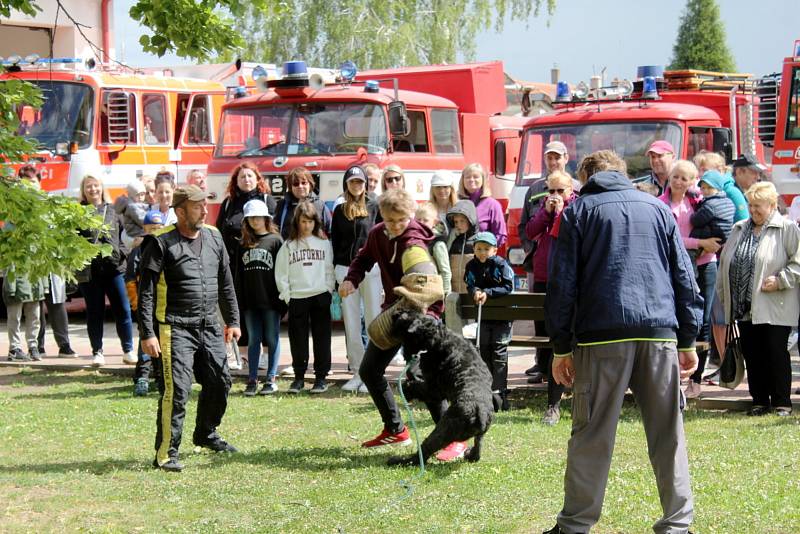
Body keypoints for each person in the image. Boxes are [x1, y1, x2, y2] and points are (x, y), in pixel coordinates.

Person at [544, 150, 702, 534]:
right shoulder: (658, 208)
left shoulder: (579, 211)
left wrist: (561, 346)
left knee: (592, 434)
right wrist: (687, 339)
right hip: (658, 334)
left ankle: (575, 526)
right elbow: (684, 276)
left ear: (585, 178)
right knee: (668, 433)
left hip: (602, 337)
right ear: (621, 172)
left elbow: (562, 284)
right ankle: (678, 524)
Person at [138, 185, 241, 472]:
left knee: (220, 382)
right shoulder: (159, 242)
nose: (205, 210)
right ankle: (166, 453)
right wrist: (147, 333)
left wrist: (232, 320)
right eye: (197, 206)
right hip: (174, 327)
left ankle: (206, 433)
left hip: (210, 324)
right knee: (177, 390)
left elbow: (225, 282)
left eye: (205, 205)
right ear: (180, 211)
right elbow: (145, 292)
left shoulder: (214, 236)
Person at [339, 189, 446, 450]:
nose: (396, 226)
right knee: (369, 370)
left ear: (410, 215)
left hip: (422, 314)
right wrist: (351, 279)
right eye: (390, 220)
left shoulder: (415, 243)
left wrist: (422, 314)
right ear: (382, 217)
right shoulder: (378, 234)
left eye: (401, 220)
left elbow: (428, 287)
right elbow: (363, 258)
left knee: (422, 377)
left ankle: (451, 437)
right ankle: (395, 429)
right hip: (394, 313)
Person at [716, 182, 800, 417]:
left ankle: (782, 402)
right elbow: (725, 264)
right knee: (752, 354)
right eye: (750, 205)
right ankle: (759, 400)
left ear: (772, 205)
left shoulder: (787, 228)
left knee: (775, 353)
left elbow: (798, 262)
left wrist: (781, 280)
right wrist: (726, 300)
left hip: (775, 305)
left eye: (758, 206)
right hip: (743, 306)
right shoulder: (739, 228)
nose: (753, 211)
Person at [658, 162, 723, 401]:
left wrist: (707, 245)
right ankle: (675, 374)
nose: (679, 182)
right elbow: (671, 238)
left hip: (705, 264)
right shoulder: (661, 204)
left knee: (703, 320)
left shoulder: (700, 203)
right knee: (677, 317)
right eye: (675, 176)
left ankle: (696, 378)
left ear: (693, 180)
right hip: (675, 267)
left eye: (685, 178)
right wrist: (699, 243)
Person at [517, 141, 580, 379]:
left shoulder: (578, 192)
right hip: (540, 266)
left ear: (565, 158)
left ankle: (565, 365)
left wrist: (561, 211)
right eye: (548, 158)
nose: (553, 162)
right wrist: (530, 248)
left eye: (557, 157)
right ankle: (542, 365)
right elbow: (527, 228)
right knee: (540, 319)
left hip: (566, 269)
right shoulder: (535, 189)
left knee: (562, 318)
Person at [525, 170, 576, 422]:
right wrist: (546, 212)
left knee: (561, 339)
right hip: (544, 279)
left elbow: (568, 234)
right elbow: (530, 231)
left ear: (570, 190)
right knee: (544, 333)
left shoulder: (576, 208)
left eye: (560, 190)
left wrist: (559, 213)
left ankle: (557, 401)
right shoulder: (542, 209)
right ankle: (550, 394)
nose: (555, 195)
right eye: (551, 190)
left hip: (567, 281)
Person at [216, 162, 278, 352]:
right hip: (234, 266)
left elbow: (275, 232)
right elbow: (219, 230)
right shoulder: (228, 203)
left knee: (265, 310)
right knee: (239, 309)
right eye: (242, 177)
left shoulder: (267, 200)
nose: (247, 180)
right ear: (236, 181)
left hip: (261, 265)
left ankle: (267, 354)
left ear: (257, 178)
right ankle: (241, 354)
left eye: (250, 176)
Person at [275, 201, 335, 394]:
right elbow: (281, 273)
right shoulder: (288, 246)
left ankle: (320, 378)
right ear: (297, 222)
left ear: (315, 222)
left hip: (319, 295)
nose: (307, 225)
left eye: (310, 221)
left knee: (322, 338)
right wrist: (287, 296)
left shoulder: (324, 244)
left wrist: (327, 290)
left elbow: (329, 270)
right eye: (303, 221)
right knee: (298, 339)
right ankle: (299, 377)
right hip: (297, 297)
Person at [331, 166, 381, 392]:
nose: (356, 185)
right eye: (352, 182)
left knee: (373, 320)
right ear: (346, 185)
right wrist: (335, 272)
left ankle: (373, 372)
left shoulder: (375, 206)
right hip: (345, 269)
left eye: (360, 182)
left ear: (366, 184)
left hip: (370, 268)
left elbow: (381, 236)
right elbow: (335, 242)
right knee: (351, 323)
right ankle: (357, 371)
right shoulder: (340, 209)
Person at [77, 175, 135, 367]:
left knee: (123, 310)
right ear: (83, 191)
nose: (93, 190)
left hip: (115, 269)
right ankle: (97, 352)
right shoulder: (78, 213)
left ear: (102, 188)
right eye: (88, 187)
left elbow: (126, 235)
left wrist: (122, 254)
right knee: (94, 312)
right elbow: (73, 241)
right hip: (90, 272)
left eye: (95, 186)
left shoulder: (114, 211)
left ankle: (128, 350)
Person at [18, 165, 76, 358]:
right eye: (25, 182)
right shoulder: (17, 208)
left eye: (32, 182)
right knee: (35, 305)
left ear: (40, 183)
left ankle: (64, 345)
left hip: (51, 262)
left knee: (56, 304)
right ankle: (38, 345)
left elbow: (61, 232)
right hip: (30, 264)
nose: (29, 186)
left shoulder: (50, 203)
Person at [238, 199, 285, 396]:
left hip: (271, 300)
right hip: (250, 301)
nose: (255, 221)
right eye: (251, 218)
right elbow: (238, 274)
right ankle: (252, 378)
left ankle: (271, 378)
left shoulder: (276, 240)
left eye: (258, 217)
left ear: (266, 217)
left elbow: (283, 272)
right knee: (253, 338)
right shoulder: (243, 243)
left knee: (272, 337)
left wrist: (282, 299)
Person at [464, 231, 514, 410]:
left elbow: (508, 286)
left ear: (495, 250)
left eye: (486, 249)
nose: (482, 252)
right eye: (479, 248)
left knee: (499, 352)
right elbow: (469, 283)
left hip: (502, 318)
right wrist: (475, 291)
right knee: (484, 351)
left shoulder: (501, 265)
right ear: (474, 249)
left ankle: (500, 394)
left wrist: (488, 293)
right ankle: (487, 393)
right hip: (484, 317)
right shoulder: (471, 265)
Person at [125, 210, 165, 396]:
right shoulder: (138, 250)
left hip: (164, 305)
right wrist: (136, 304)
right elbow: (131, 280)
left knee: (161, 342)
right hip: (145, 305)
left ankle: (159, 376)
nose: (155, 231)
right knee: (146, 340)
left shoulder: (167, 247)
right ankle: (142, 376)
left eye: (159, 228)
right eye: (152, 228)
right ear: (145, 229)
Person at [443, 200, 477, 332]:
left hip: (471, 294)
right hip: (455, 292)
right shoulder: (453, 240)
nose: (458, 225)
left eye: (462, 221)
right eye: (456, 222)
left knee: (472, 331)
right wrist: (451, 239)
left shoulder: (478, 241)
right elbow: (443, 255)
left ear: (471, 220)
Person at [275, 167, 332, 240]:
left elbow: (330, 231)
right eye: (296, 184)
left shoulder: (320, 206)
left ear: (310, 184)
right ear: (290, 187)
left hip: (315, 250)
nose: (300, 186)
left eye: (304, 183)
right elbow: (275, 232)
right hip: (289, 249)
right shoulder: (282, 205)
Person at [457, 163, 507, 247]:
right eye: (467, 177)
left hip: (482, 257)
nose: (471, 180)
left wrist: (486, 251)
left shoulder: (492, 205)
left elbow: (500, 234)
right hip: (458, 256)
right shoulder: (457, 203)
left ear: (483, 180)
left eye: (476, 177)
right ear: (462, 180)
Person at [693, 150, 748, 223]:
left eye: (704, 170)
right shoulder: (702, 190)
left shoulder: (731, 191)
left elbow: (743, 222)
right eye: (699, 170)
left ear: (719, 170)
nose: (700, 174)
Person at [415, 203, 452, 295]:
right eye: (418, 220)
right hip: (419, 290)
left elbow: (445, 272)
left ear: (435, 222)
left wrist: (445, 293)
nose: (421, 223)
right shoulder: (415, 241)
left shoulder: (437, 244)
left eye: (426, 220)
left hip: (435, 291)